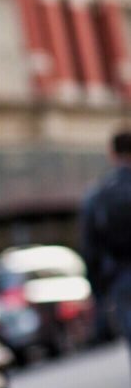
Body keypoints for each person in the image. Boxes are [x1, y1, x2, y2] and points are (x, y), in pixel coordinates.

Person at [81, 129, 131, 358]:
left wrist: (99, 289)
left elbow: (91, 246)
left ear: (113, 154)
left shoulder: (99, 193)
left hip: (121, 277)